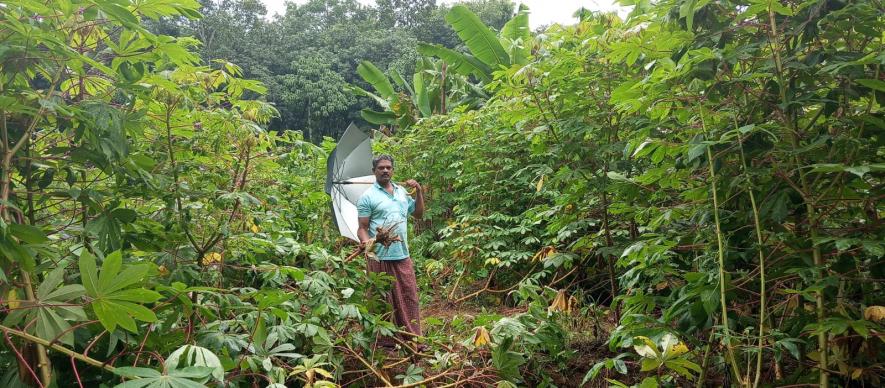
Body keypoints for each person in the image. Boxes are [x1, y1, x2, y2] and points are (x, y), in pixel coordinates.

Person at [356, 154, 425, 351]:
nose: (385, 170)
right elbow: (362, 227)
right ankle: (384, 342)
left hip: (402, 254)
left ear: (393, 170)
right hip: (379, 256)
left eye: (388, 167)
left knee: (409, 295)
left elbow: (418, 214)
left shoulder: (403, 192)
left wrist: (419, 191)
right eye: (381, 168)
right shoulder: (368, 197)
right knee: (382, 298)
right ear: (374, 172)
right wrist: (365, 241)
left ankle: (412, 338)